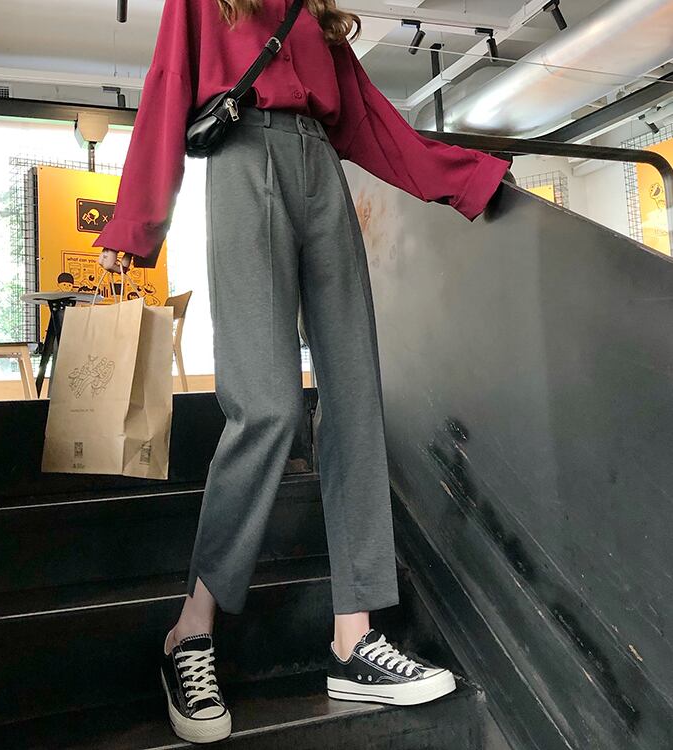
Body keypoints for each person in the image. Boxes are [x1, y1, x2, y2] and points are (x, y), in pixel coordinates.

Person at [94, 0, 510, 743]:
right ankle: (191, 630)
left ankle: (354, 639)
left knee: (355, 399)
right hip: (241, 156)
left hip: (321, 169)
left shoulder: (312, 12)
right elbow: (167, 85)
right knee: (269, 407)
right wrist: (136, 224)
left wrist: (467, 180)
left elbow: (370, 122)